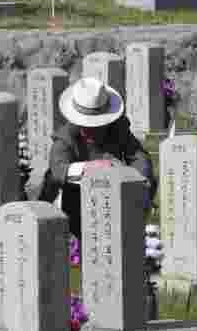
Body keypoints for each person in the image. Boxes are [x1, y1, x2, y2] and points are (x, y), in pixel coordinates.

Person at [38, 77, 157, 242]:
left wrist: (138, 180)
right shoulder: (67, 136)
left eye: (96, 125)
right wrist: (90, 167)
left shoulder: (117, 128)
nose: (91, 130)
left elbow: (139, 156)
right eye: (86, 125)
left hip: (115, 192)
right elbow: (58, 168)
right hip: (77, 198)